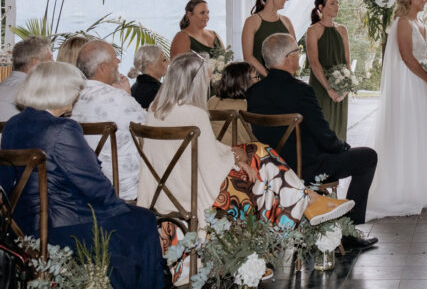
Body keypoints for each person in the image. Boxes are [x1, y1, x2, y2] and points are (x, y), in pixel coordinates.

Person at [137, 53, 354, 235]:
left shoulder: (154, 111)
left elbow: (202, 149)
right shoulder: (194, 113)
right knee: (263, 175)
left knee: (260, 151)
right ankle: (302, 207)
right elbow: (211, 165)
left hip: (167, 190)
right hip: (199, 192)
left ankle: (308, 201)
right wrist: (240, 161)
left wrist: (235, 154)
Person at [0, 61, 163, 289]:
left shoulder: (12, 125)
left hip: (21, 228)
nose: (76, 96)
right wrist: (118, 206)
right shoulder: (63, 129)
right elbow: (96, 187)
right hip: (63, 228)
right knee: (143, 220)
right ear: (63, 92)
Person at [246, 33, 379, 252]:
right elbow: (324, 136)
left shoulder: (253, 93)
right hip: (307, 169)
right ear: (289, 57)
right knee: (367, 157)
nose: (299, 57)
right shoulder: (301, 90)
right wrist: (342, 148)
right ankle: (349, 232)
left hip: (272, 172)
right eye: (297, 53)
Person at [366, 0, 427, 218]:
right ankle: (404, 188)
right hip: (408, 84)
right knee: (408, 130)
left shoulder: (421, 24)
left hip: (421, 84)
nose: (426, 0)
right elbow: (407, 58)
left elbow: (425, 55)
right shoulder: (403, 23)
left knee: (422, 131)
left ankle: (424, 186)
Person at [71, 40, 145, 201]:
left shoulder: (71, 97)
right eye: (114, 59)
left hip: (86, 187)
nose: (118, 62)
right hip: (124, 189)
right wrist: (127, 96)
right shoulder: (119, 99)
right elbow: (148, 133)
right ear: (102, 68)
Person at [305, 0, 352, 140]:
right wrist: (329, 88)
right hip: (321, 86)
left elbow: (347, 62)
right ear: (321, 7)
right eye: (332, 3)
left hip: (341, 86)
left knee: (339, 128)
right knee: (323, 129)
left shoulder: (342, 30)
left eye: (337, 3)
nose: (336, 6)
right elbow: (314, 63)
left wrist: (345, 88)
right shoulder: (313, 30)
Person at [241, 0, 296, 76]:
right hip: (261, 81)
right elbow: (248, 56)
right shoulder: (251, 21)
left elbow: (294, 51)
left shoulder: (287, 21)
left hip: (285, 80)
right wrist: (269, 76)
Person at [0, 37, 53, 122]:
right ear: (35, 62)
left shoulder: (4, 86)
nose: (54, 64)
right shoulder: (34, 93)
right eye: (50, 59)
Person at [206, 61, 257, 146]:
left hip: (214, 152)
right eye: (256, 77)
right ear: (245, 82)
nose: (259, 81)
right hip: (237, 155)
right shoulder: (245, 106)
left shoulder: (212, 101)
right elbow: (248, 140)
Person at [128, 45, 169, 109]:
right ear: (151, 65)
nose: (168, 62)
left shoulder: (133, 88)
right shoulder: (158, 90)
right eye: (164, 60)